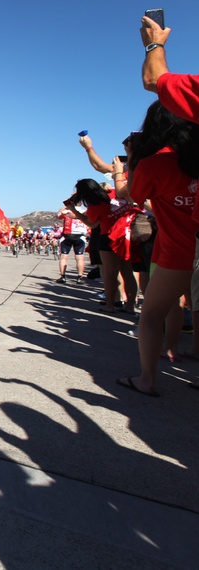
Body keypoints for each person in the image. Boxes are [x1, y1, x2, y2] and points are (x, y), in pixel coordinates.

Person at [114, 102, 199, 395]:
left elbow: (133, 195)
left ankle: (147, 379)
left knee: (151, 314)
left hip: (178, 251)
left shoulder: (155, 163)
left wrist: (131, 161)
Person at [63, 180, 138, 314]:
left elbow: (92, 224)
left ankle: (110, 305)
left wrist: (74, 210)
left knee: (110, 273)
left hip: (108, 237)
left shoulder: (95, 206)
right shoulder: (115, 193)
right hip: (125, 235)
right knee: (127, 273)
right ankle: (130, 305)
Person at [56, 208, 88, 284]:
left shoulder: (66, 211)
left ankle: (63, 276)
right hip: (80, 236)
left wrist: (64, 207)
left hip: (67, 236)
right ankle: (80, 277)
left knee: (63, 257)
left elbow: (58, 215)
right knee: (80, 258)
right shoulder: (84, 211)